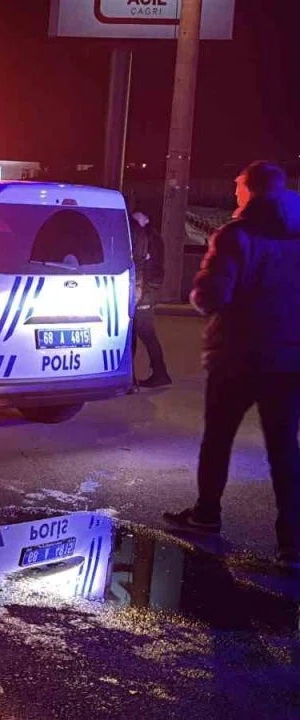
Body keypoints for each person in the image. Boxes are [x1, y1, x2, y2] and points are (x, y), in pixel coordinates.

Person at [164, 161, 300, 571]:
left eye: (238, 188)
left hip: (237, 356)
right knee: (284, 450)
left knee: (218, 438)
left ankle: (207, 515)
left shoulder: (235, 235)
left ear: (250, 190)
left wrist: (201, 293)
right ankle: (292, 544)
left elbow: (211, 295)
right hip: (288, 360)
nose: (234, 194)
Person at [130, 208, 171, 388]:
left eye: (138, 216)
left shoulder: (147, 238)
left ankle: (159, 373)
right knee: (137, 334)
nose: (134, 219)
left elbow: (148, 267)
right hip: (145, 291)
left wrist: (144, 292)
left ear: (146, 218)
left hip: (144, 292)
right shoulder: (150, 237)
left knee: (144, 333)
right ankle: (139, 375)